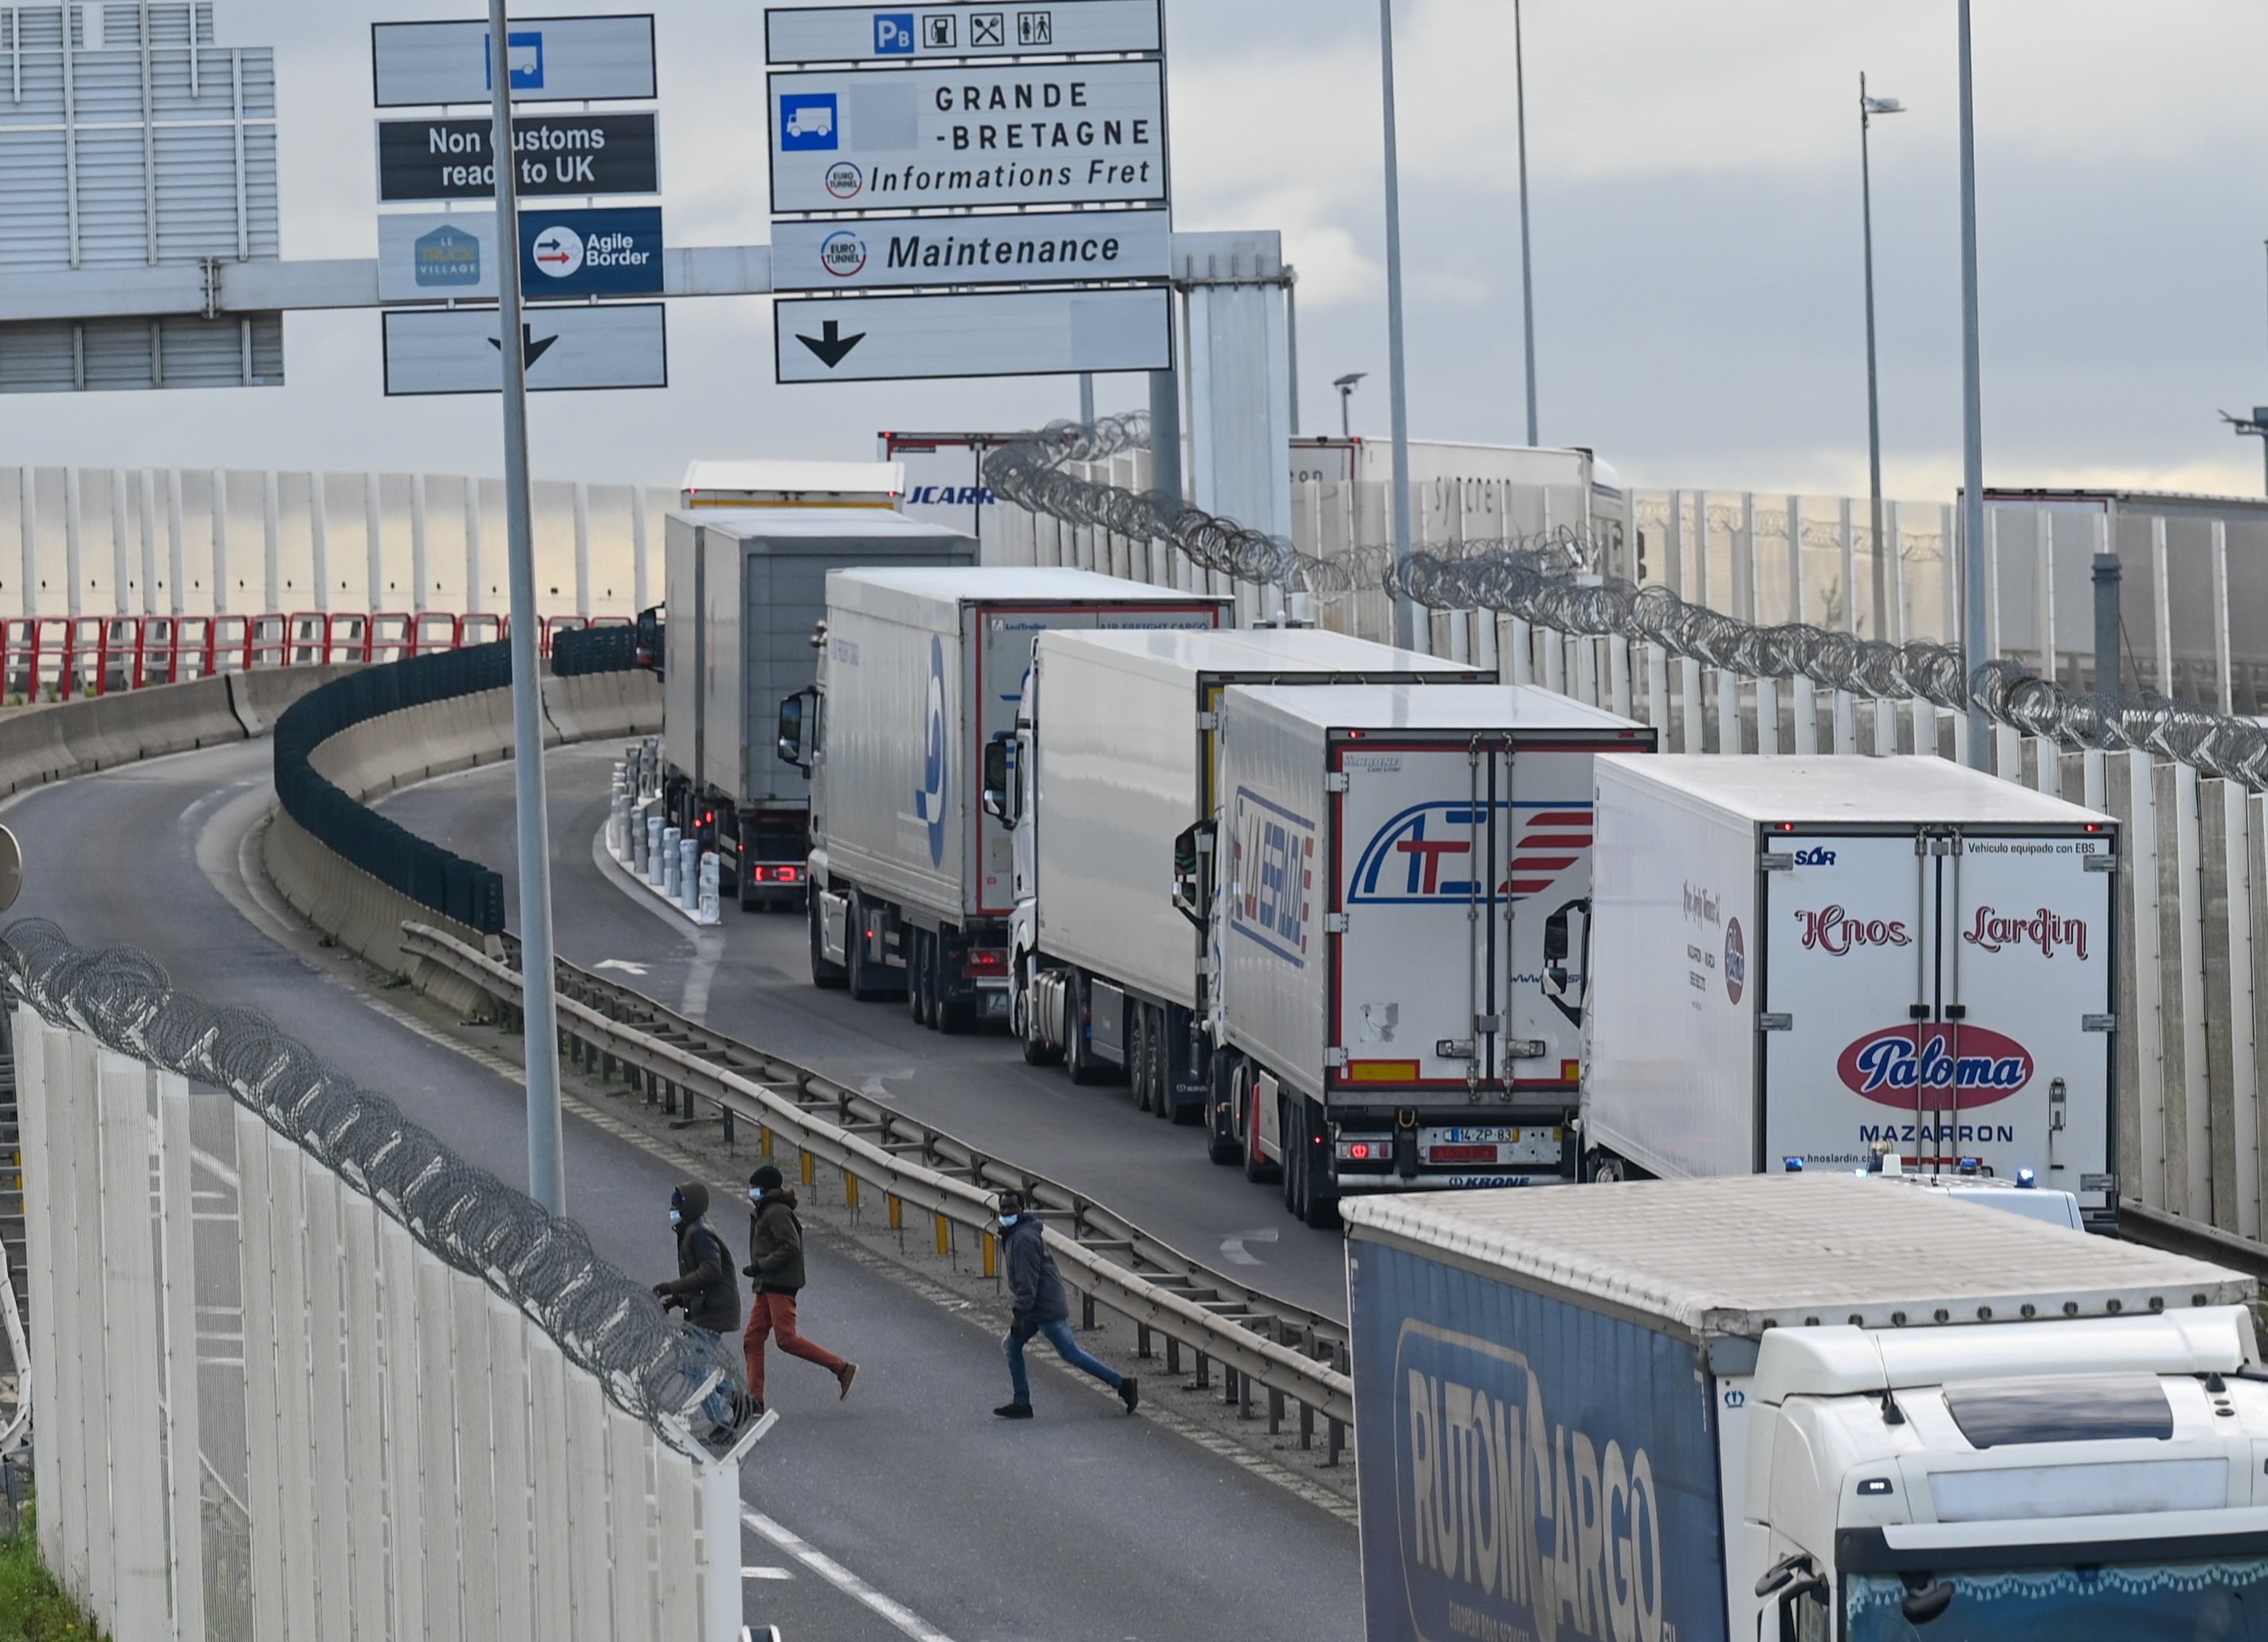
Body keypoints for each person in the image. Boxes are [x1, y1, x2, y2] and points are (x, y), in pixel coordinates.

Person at [995, 1189, 1138, 1419]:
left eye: (1011, 1208)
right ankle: (1021, 1402)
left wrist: (1018, 1317)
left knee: (1071, 1354)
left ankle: (1122, 1384)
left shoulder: (1022, 1239)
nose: (1006, 1212)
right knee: (1011, 1346)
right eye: (1003, 1208)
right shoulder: (1017, 1233)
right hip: (1037, 1306)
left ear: (1021, 1209)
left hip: (1044, 1307)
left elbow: (1027, 1283)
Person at [743, 1165, 857, 1415]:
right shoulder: (766, 1210)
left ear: (766, 1189)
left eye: (755, 1188)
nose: (751, 1192)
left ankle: (841, 1368)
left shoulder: (775, 1212)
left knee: (786, 1339)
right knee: (752, 1339)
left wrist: (762, 1266)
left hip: (779, 1284)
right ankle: (755, 1400)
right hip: (767, 1284)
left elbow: (791, 1246)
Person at [653, 1182, 742, 1434]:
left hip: (714, 1310)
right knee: (689, 1364)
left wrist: (672, 1287)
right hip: (704, 1308)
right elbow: (698, 1278)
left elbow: (710, 1272)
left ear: (690, 1207)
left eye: (678, 1204)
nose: (673, 1208)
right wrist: (677, 1300)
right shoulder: (690, 1231)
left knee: (694, 1366)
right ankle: (735, 1398)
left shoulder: (700, 1233)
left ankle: (723, 1421)